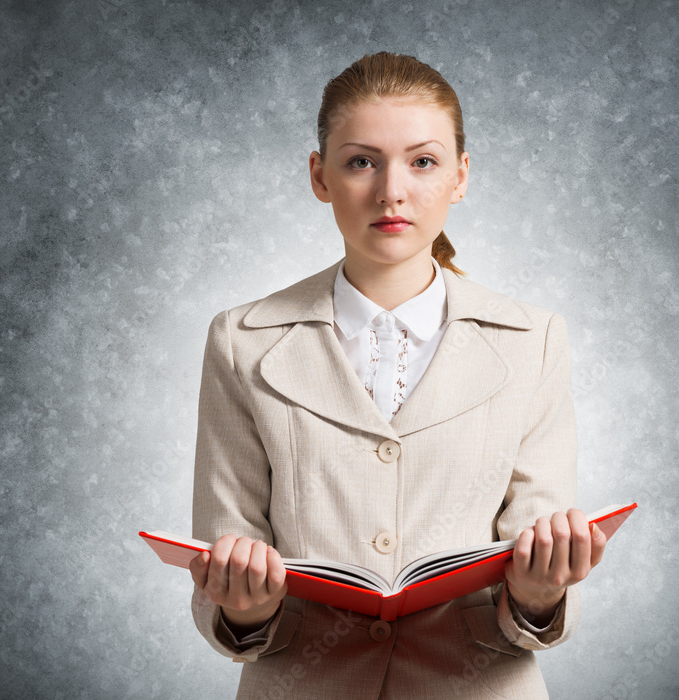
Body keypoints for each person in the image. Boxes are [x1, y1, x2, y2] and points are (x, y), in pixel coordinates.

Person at [187, 51, 608, 699]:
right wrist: (243, 605)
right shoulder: (241, 341)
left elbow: (539, 593)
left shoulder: (534, 340)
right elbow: (224, 565)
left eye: (423, 161)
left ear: (460, 176)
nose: (391, 191)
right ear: (319, 176)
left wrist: (539, 591)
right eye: (361, 161)